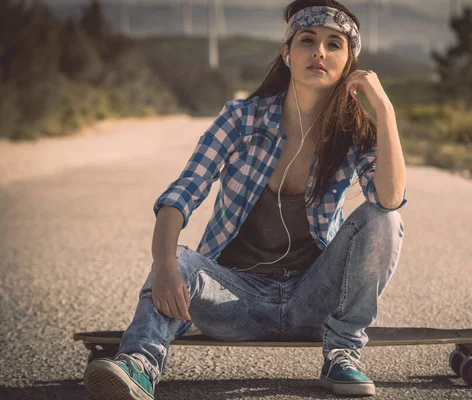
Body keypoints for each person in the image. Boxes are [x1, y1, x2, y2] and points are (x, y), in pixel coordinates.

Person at [83, 0, 407, 398]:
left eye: (333, 44)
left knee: (384, 220)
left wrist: (386, 110)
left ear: (348, 62)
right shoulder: (242, 119)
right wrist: (165, 263)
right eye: (307, 40)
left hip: (315, 298)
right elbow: (182, 192)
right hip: (236, 299)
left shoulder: (353, 132)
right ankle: (138, 366)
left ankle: (342, 354)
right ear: (287, 52)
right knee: (179, 257)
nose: (319, 52)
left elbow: (388, 199)